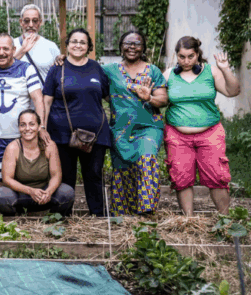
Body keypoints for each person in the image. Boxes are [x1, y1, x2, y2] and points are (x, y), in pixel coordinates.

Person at [163, 36, 241, 216]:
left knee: (217, 176)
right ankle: (189, 221)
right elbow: (159, 100)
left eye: (190, 56)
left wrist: (226, 69)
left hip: (210, 133)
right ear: (177, 56)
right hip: (177, 134)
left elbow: (233, 91)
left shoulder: (210, 72)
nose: (186, 61)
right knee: (181, 177)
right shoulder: (168, 75)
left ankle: (225, 219)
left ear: (197, 54)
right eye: (181, 57)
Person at [43, 28, 112, 217]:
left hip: (95, 134)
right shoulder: (58, 68)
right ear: (67, 45)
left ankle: (98, 215)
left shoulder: (96, 68)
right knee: (66, 177)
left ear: (89, 46)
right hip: (62, 133)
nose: (78, 45)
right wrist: (42, 126)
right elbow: (46, 100)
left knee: (95, 175)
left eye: (82, 42)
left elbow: (108, 96)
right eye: (74, 41)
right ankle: (63, 216)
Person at [104, 31, 168, 215]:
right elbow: (87, 73)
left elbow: (163, 99)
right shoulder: (109, 71)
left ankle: (146, 211)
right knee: (122, 168)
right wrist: (62, 59)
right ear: (120, 46)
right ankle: (123, 214)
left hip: (148, 126)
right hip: (121, 129)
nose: (132, 47)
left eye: (137, 43)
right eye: (128, 43)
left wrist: (149, 98)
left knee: (146, 158)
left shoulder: (153, 71)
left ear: (143, 48)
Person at [0, 34, 47, 192]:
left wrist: (42, 127)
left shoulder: (26, 69)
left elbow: (38, 99)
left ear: (13, 50)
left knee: (21, 175)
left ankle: (21, 211)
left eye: (6, 48)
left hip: (21, 135)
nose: (1, 52)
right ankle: (1, 211)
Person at [0, 109, 75, 216]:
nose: (27, 128)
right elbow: (7, 179)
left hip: (44, 194)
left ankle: (53, 218)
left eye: (32, 124)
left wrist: (49, 192)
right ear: (18, 127)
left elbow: (56, 175)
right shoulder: (13, 148)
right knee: (0, 196)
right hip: (21, 195)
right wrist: (30, 191)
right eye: (23, 125)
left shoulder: (49, 146)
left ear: (38, 126)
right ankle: (17, 217)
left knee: (67, 192)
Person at [13, 4, 62, 83]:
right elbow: (3, 68)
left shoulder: (51, 46)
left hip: (43, 94)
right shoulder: (12, 45)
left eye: (35, 21)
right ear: (21, 22)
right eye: (26, 21)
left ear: (40, 22)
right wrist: (22, 50)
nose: (31, 25)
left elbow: (59, 75)